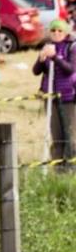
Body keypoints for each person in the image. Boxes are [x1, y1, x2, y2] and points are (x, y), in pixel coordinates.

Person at [33, 18, 76, 172]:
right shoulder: (47, 47)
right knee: (56, 135)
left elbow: (70, 69)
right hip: (51, 98)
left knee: (70, 136)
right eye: (53, 30)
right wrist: (41, 58)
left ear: (65, 32)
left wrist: (55, 57)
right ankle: (58, 170)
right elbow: (36, 71)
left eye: (60, 30)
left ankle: (71, 168)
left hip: (68, 97)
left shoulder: (71, 47)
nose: (56, 33)